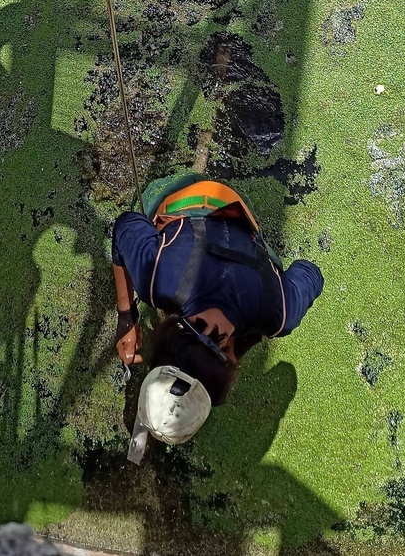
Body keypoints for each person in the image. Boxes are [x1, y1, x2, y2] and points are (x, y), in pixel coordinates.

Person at [111, 172, 324, 457]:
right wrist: (127, 317)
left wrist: (267, 304)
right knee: (151, 206)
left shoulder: (280, 314)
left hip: (238, 211)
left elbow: (310, 273)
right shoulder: (156, 280)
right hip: (185, 195)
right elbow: (126, 224)